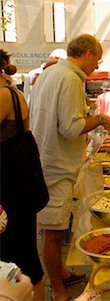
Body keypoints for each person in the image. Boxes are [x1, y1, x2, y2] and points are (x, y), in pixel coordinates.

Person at [29, 34, 110, 301]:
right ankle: (59, 290)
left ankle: (61, 274)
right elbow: (71, 127)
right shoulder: (72, 77)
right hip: (57, 167)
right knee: (53, 233)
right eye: (97, 59)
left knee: (53, 229)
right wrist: (100, 118)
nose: (97, 66)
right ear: (86, 53)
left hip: (46, 160)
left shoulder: (50, 73)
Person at [0, 50, 45, 301]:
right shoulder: (11, 93)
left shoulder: (5, 95)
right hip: (17, 187)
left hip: (11, 191)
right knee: (22, 253)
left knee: (19, 255)